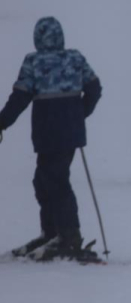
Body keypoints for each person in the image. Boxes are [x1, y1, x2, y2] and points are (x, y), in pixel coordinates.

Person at [0, 17, 102, 260]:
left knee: (55, 181)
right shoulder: (75, 58)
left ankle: (68, 236)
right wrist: (79, 114)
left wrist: (2, 122)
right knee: (44, 180)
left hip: (47, 134)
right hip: (69, 134)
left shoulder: (33, 62)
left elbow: (19, 98)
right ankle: (52, 233)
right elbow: (95, 88)